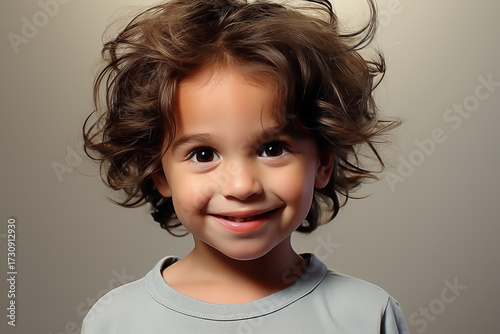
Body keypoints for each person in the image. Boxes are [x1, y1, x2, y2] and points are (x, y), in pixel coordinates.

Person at [81, 0, 408, 332]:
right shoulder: (116, 321)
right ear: (160, 172)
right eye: (204, 155)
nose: (241, 187)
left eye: (272, 149)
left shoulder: (366, 315)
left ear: (323, 161)